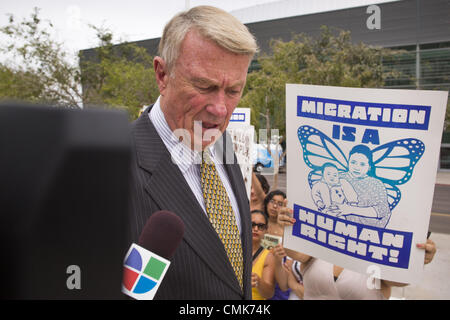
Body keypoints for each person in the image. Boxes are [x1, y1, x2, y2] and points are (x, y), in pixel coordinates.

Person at [127, 6, 258, 299]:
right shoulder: (106, 169)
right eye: (204, 86)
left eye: (234, 91)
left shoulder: (222, 146)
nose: (221, 109)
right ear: (162, 74)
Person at [277, 208, 437, 300]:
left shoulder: (381, 245)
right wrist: (288, 227)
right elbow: (296, 253)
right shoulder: (323, 231)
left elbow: (397, 279)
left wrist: (417, 260)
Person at [334, 145, 391, 228]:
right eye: (353, 162)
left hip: (367, 229)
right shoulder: (339, 177)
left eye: (362, 164)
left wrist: (350, 209)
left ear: (369, 167)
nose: (356, 167)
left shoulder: (375, 183)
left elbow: (382, 210)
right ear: (348, 163)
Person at [250, 210, 276, 300]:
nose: (256, 229)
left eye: (261, 226)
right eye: (252, 224)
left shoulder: (268, 256)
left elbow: (269, 293)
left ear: (266, 230)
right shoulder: (235, 248)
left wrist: (258, 281)